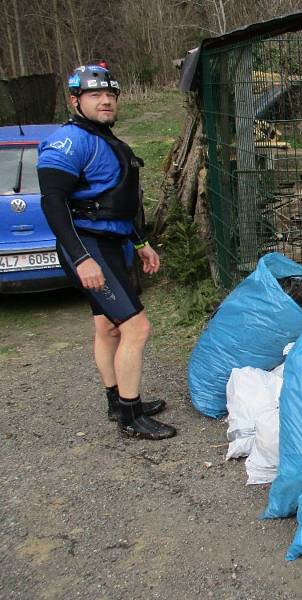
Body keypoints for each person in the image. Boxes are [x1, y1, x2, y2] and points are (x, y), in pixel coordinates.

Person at [37, 63, 176, 440]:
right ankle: (132, 418)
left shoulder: (110, 141)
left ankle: (118, 403)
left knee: (107, 328)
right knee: (137, 328)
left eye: (110, 95)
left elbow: (118, 204)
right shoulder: (70, 141)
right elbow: (53, 203)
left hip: (113, 244)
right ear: (75, 100)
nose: (105, 101)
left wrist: (141, 243)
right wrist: (81, 258)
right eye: (95, 95)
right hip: (88, 246)